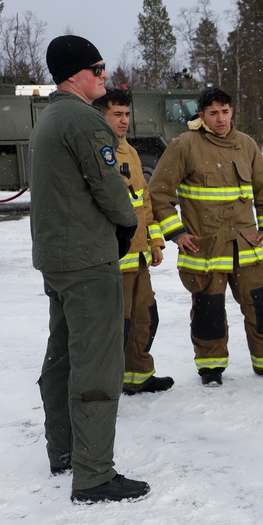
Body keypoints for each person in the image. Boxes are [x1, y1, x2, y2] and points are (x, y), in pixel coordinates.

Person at [30, 35, 149, 503]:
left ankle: (64, 452)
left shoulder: (50, 118)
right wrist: (126, 225)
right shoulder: (85, 121)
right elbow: (111, 192)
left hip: (57, 259)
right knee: (96, 363)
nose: (104, 76)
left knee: (61, 356)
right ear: (77, 74)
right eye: (98, 69)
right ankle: (94, 474)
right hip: (86, 261)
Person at [148, 86, 263, 387]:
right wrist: (176, 233)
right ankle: (211, 368)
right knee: (209, 312)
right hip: (205, 248)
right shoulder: (184, 145)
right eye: (213, 113)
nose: (220, 119)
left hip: (246, 246)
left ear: (232, 112)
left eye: (225, 111)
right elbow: (159, 193)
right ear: (201, 116)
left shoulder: (246, 145)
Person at [93, 88, 173, 396]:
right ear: (101, 116)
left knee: (145, 318)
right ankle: (107, 384)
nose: (124, 120)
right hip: (113, 258)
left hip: (139, 256)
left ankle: (139, 376)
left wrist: (155, 242)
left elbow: (144, 200)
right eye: (117, 114)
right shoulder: (97, 150)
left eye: (127, 114)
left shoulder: (131, 151)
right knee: (117, 326)